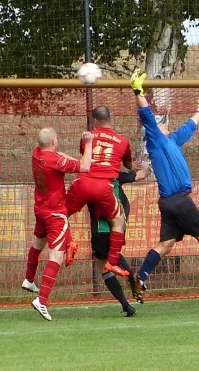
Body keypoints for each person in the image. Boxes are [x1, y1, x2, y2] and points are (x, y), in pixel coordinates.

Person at [129, 70, 199, 293]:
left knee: (167, 244)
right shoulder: (156, 141)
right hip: (179, 200)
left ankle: (140, 277)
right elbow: (146, 115)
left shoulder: (171, 140)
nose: (165, 125)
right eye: (162, 123)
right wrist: (137, 91)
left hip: (169, 202)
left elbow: (188, 128)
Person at [24, 128, 93, 321]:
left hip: (40, 208)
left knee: (38, 244)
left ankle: (29, 279)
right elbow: (85, 166)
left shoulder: (36, 154)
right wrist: (88, 143)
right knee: (57, 256)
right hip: (55, 214)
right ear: (55, 141)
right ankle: (42, 301)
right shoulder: (55, 161)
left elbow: (57, 156)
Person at [66, 106, 134, 278]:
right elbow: (128, 165)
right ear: (112, 118)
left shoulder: (87, 136)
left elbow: (86, 156)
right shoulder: (123, 141)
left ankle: (68, 243)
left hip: (82, 182)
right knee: (118, 222)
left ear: (94, 120)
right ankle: (112, 261)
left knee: (60, 213)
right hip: (104, 187)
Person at [88, 163, 150, 316]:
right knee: (109, 259)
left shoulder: (88, 179)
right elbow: (141, 174)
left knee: (104, 263)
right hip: (120, 228)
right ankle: (127, 304)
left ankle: (132, 281)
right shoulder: (115, 175)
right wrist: (146, 165)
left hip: (101, 229)